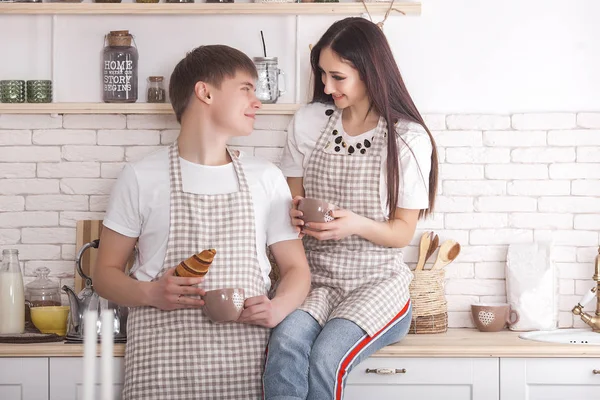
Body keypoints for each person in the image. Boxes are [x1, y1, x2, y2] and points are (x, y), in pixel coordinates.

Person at [93, 45, 311, 400]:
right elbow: (104, 274)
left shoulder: (266, 178)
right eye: (246, 89)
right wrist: (150, 293)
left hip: (246, 366)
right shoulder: (140, 176)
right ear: (204, 92)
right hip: (159, 370)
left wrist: (277, 308)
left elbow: (297, 270)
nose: (257, 102)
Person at [263, 17, 439, 400]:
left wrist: (355, 224)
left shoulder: (407, 137)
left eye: (337, 77)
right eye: (322, 75)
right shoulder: (309, 122)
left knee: (327, 356)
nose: (326, 87)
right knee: (285, 345)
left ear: (370, 71)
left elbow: (401, 233)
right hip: (316, 280)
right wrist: (293, 214)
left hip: (377, 286)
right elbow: (291, 198)